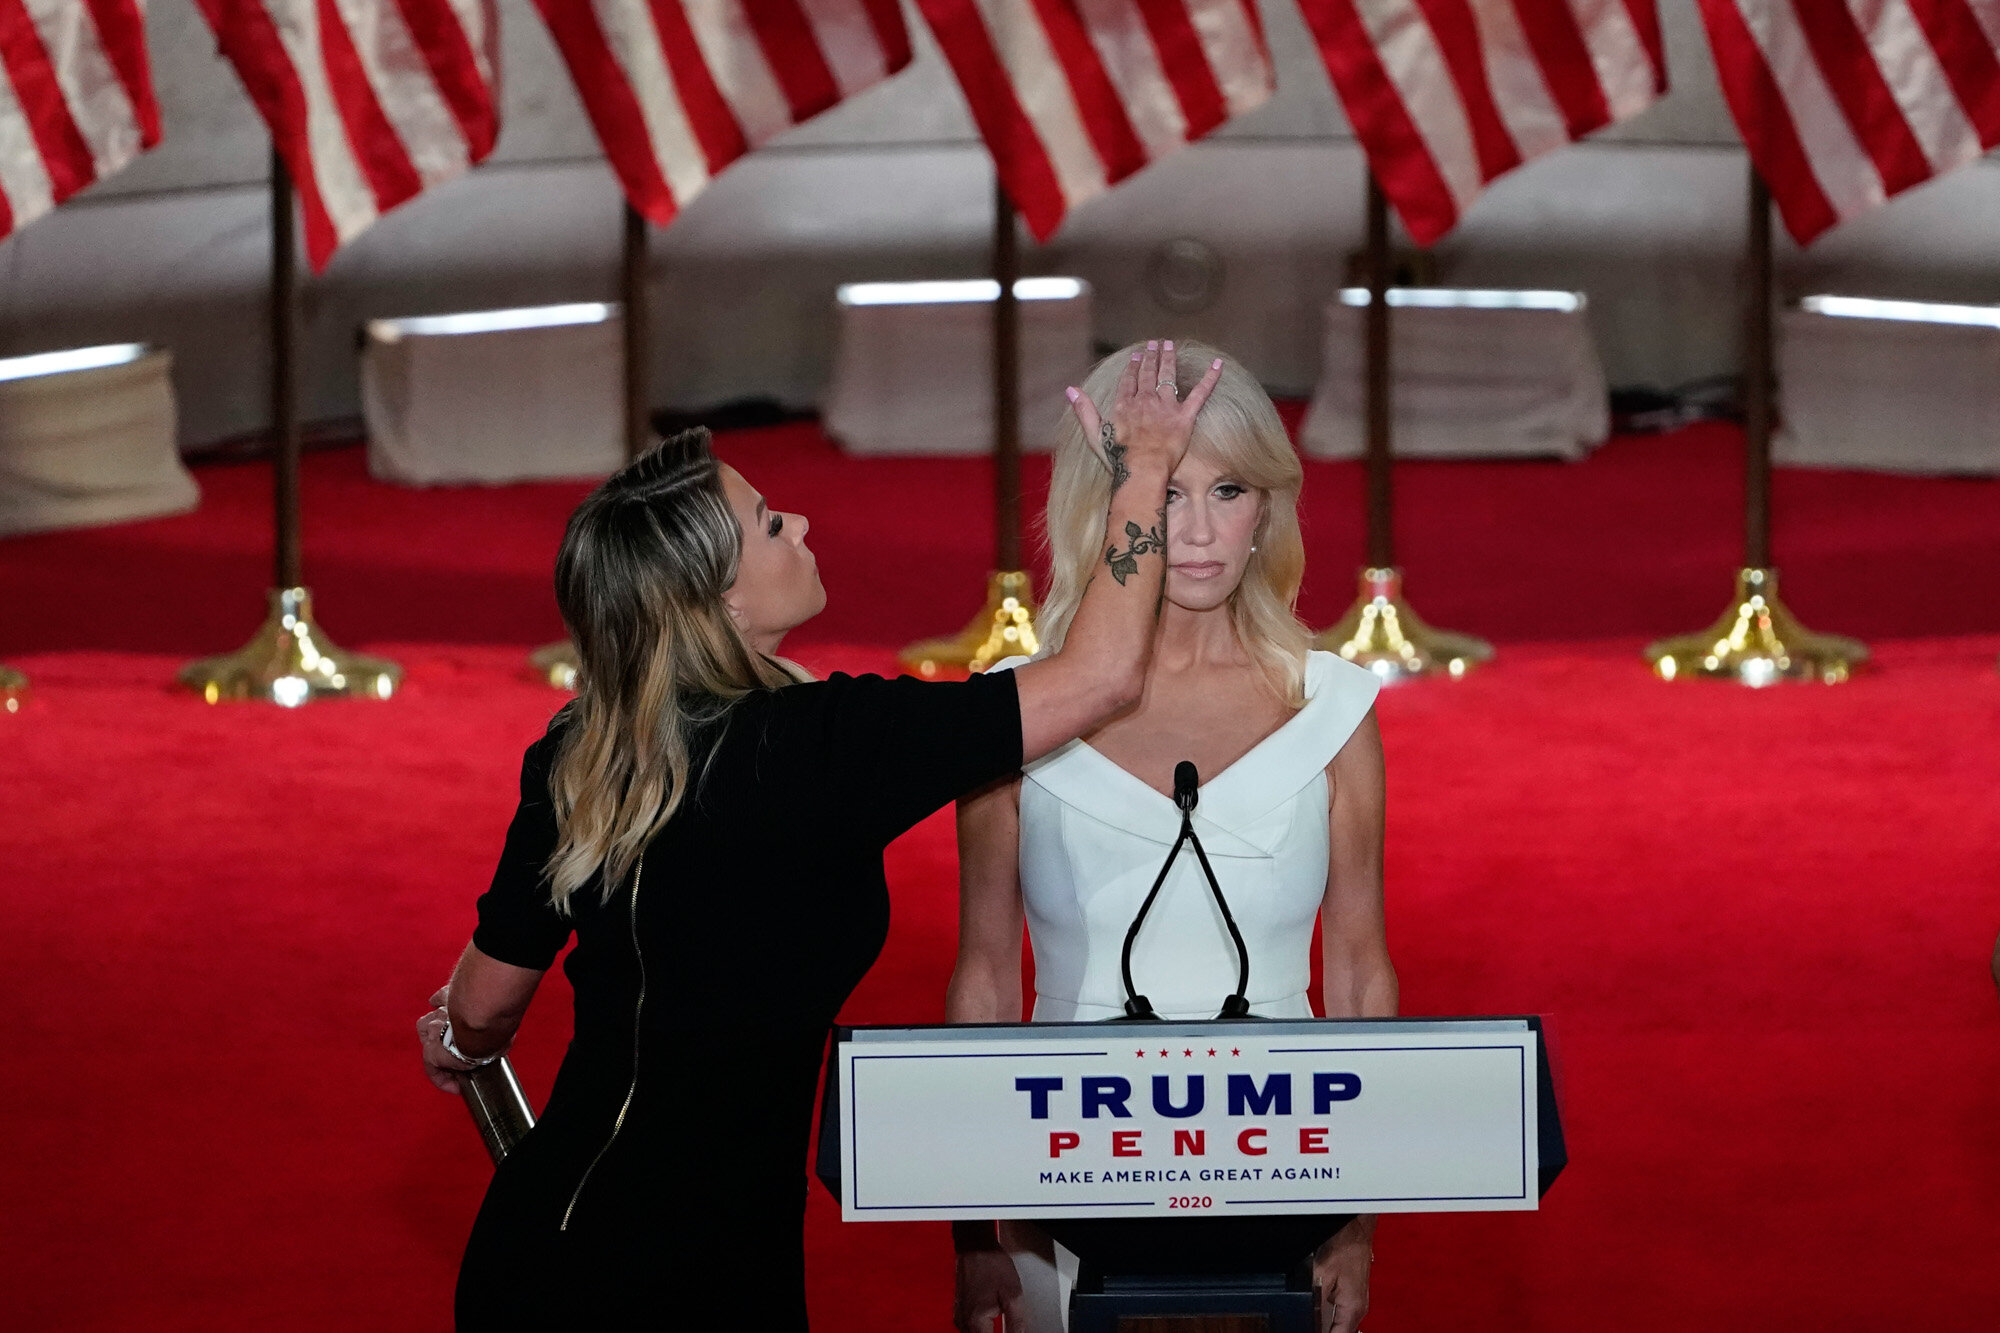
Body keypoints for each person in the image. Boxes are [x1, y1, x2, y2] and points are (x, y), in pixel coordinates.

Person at [414, 341, 1221, 1329]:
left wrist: (453, 1034)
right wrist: (1142, 470)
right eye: (767, 523)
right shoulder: (819, 747)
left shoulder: (579, 753)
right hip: (693, 1277)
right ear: (722, 597)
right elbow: (1098, 678)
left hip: (540, 1249)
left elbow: (483, 1007)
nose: (799, 520)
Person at [947, 342, 1396, 1333]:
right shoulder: (1008, 714)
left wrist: (1353, 1219)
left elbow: (1358, 967)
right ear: (1096, 506)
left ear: (1264, 509)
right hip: (1057, 1165)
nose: (1192, 532)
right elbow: (983, 974)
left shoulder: (1333, 707)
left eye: (1226, 490)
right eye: (1159, 491)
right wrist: (977, 1230)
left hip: (1287, 1157)